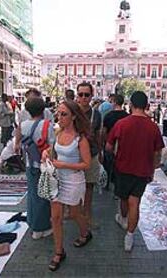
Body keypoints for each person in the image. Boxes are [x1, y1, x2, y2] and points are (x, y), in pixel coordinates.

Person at [106, 91, 164, 252]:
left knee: (124, 199)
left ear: (130, 104)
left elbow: (109, 147)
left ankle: (123, 219)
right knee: (135, 203)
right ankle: (130, 236)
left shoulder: (122, 124)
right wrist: (152, 170)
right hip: (143, 171)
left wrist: (115, 153)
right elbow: (157, 153)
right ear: (147, 106)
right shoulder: (153, 127)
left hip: (122, 168)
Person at [45, 101, 92, 271]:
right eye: (58, 113)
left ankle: (85, 233)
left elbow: (86, 164)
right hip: (57, 179)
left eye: (64, 114)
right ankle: (59, 252)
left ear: (73, 116)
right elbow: (53, 153)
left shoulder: (81, 139)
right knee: (56, 217)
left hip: (73, 180)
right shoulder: (58, 133)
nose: (59, 117)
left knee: (74, 213)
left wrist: (63, 165)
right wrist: (46, 154)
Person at [21, 98, 55, 240]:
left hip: (30, 164)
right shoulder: (47, 125)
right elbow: (52, 147)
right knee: (44, 196)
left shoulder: (22, 125)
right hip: (44, 165)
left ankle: (33, 223)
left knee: (33, 195)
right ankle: (41, 228)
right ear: (44, 109)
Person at [76, 82, 102, 229]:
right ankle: (75, 212)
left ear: (91, 96)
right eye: (81, 94)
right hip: (74, 156)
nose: (84, 97)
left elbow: (99, 135)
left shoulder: (96, 114)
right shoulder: (71, 111)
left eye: (87, 94)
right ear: (77, 96)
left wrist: (100, 153)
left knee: (89, 186)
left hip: (91, 155)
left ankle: (87, 215)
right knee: (73, 186)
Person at [102, 94, 129, 190]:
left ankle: (106, 183)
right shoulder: (127, 116)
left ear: (114, 102)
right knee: (119, 167)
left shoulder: (108, 116)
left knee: (108, 165)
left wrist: (105, 141)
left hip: (109, 143)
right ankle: (118, 186)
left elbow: (104, 131)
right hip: (123, 145)